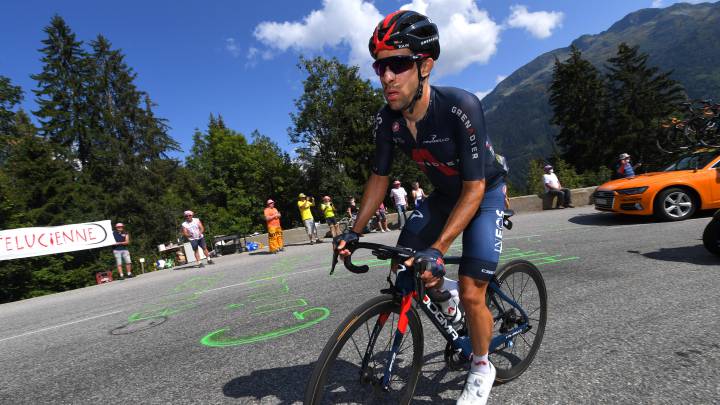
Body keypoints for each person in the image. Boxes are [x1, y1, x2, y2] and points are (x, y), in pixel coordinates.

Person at [335, 10, 509, 404]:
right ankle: (443, 297)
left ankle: (482, 365)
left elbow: (474, 187)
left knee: (471, 289)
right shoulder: (386, 120)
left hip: (483, 194)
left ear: (425, 65)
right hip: (445, 196)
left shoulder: (459, 107)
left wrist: (439, 248)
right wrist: (353, 231)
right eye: (381, 66)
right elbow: (379, 179)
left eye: (398, 63)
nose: (387, 76)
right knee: (403, 264)